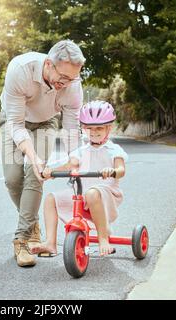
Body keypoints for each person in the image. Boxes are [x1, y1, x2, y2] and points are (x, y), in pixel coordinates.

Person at [0, 40, 85, 267]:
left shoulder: (73, 86)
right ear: (48, 64)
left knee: (35, 174)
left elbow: (70, 127)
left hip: (47, 122)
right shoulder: (20, 69)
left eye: (73, 78)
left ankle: (23, 239)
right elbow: (16, 125)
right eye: (63, 77)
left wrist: (73, 158)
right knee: (12, 179)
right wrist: (32, 154)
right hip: (15, 121)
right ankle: (33, 222)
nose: (66, 83)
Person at [31, 100, 128, 257]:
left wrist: (112, 171)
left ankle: (103, 239)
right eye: (89, 128)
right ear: (83, 128)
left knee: (92, 193)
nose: (94, 132)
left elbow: (121, 170)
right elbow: (70, 165)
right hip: (83, 195)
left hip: (106, 194)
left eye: (99, 128)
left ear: (108, 128)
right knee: (51, 199)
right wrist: (50, 172)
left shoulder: (114, 150)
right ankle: (50, 243)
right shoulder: (81, 150)